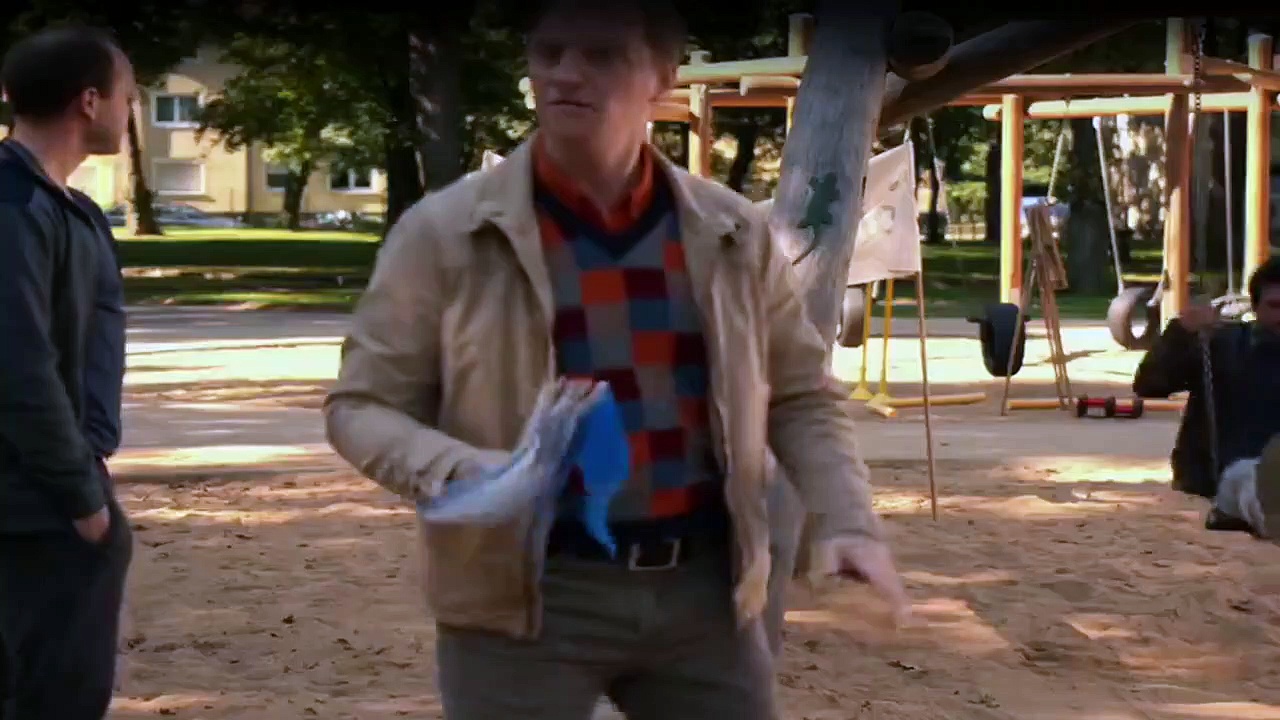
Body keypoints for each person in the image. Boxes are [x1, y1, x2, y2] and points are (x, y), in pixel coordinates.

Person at [324, 0, 910, 717]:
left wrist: (847, 521)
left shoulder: (729, 232)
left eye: (601, 55)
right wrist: (465, 472)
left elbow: (800, 394)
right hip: (520, 596)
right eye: (548, 52)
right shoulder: (444, 234)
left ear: (661, 75)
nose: (565, 74)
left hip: (703, 592)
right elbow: (362, 406)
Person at [0, 26, 134, 719]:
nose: (129, 112)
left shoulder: (74, 211)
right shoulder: (13, 208)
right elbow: (18, 366)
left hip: (63, 490)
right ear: (90, 101)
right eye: (128, 97)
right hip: (29, 507)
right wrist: (83, 501)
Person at [1133, 256, 1280, 537]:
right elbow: (1149, 385)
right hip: (1234, 472)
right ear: (1255, 307)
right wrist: (1180, 333)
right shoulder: (1222, 345)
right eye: (1275, 306)